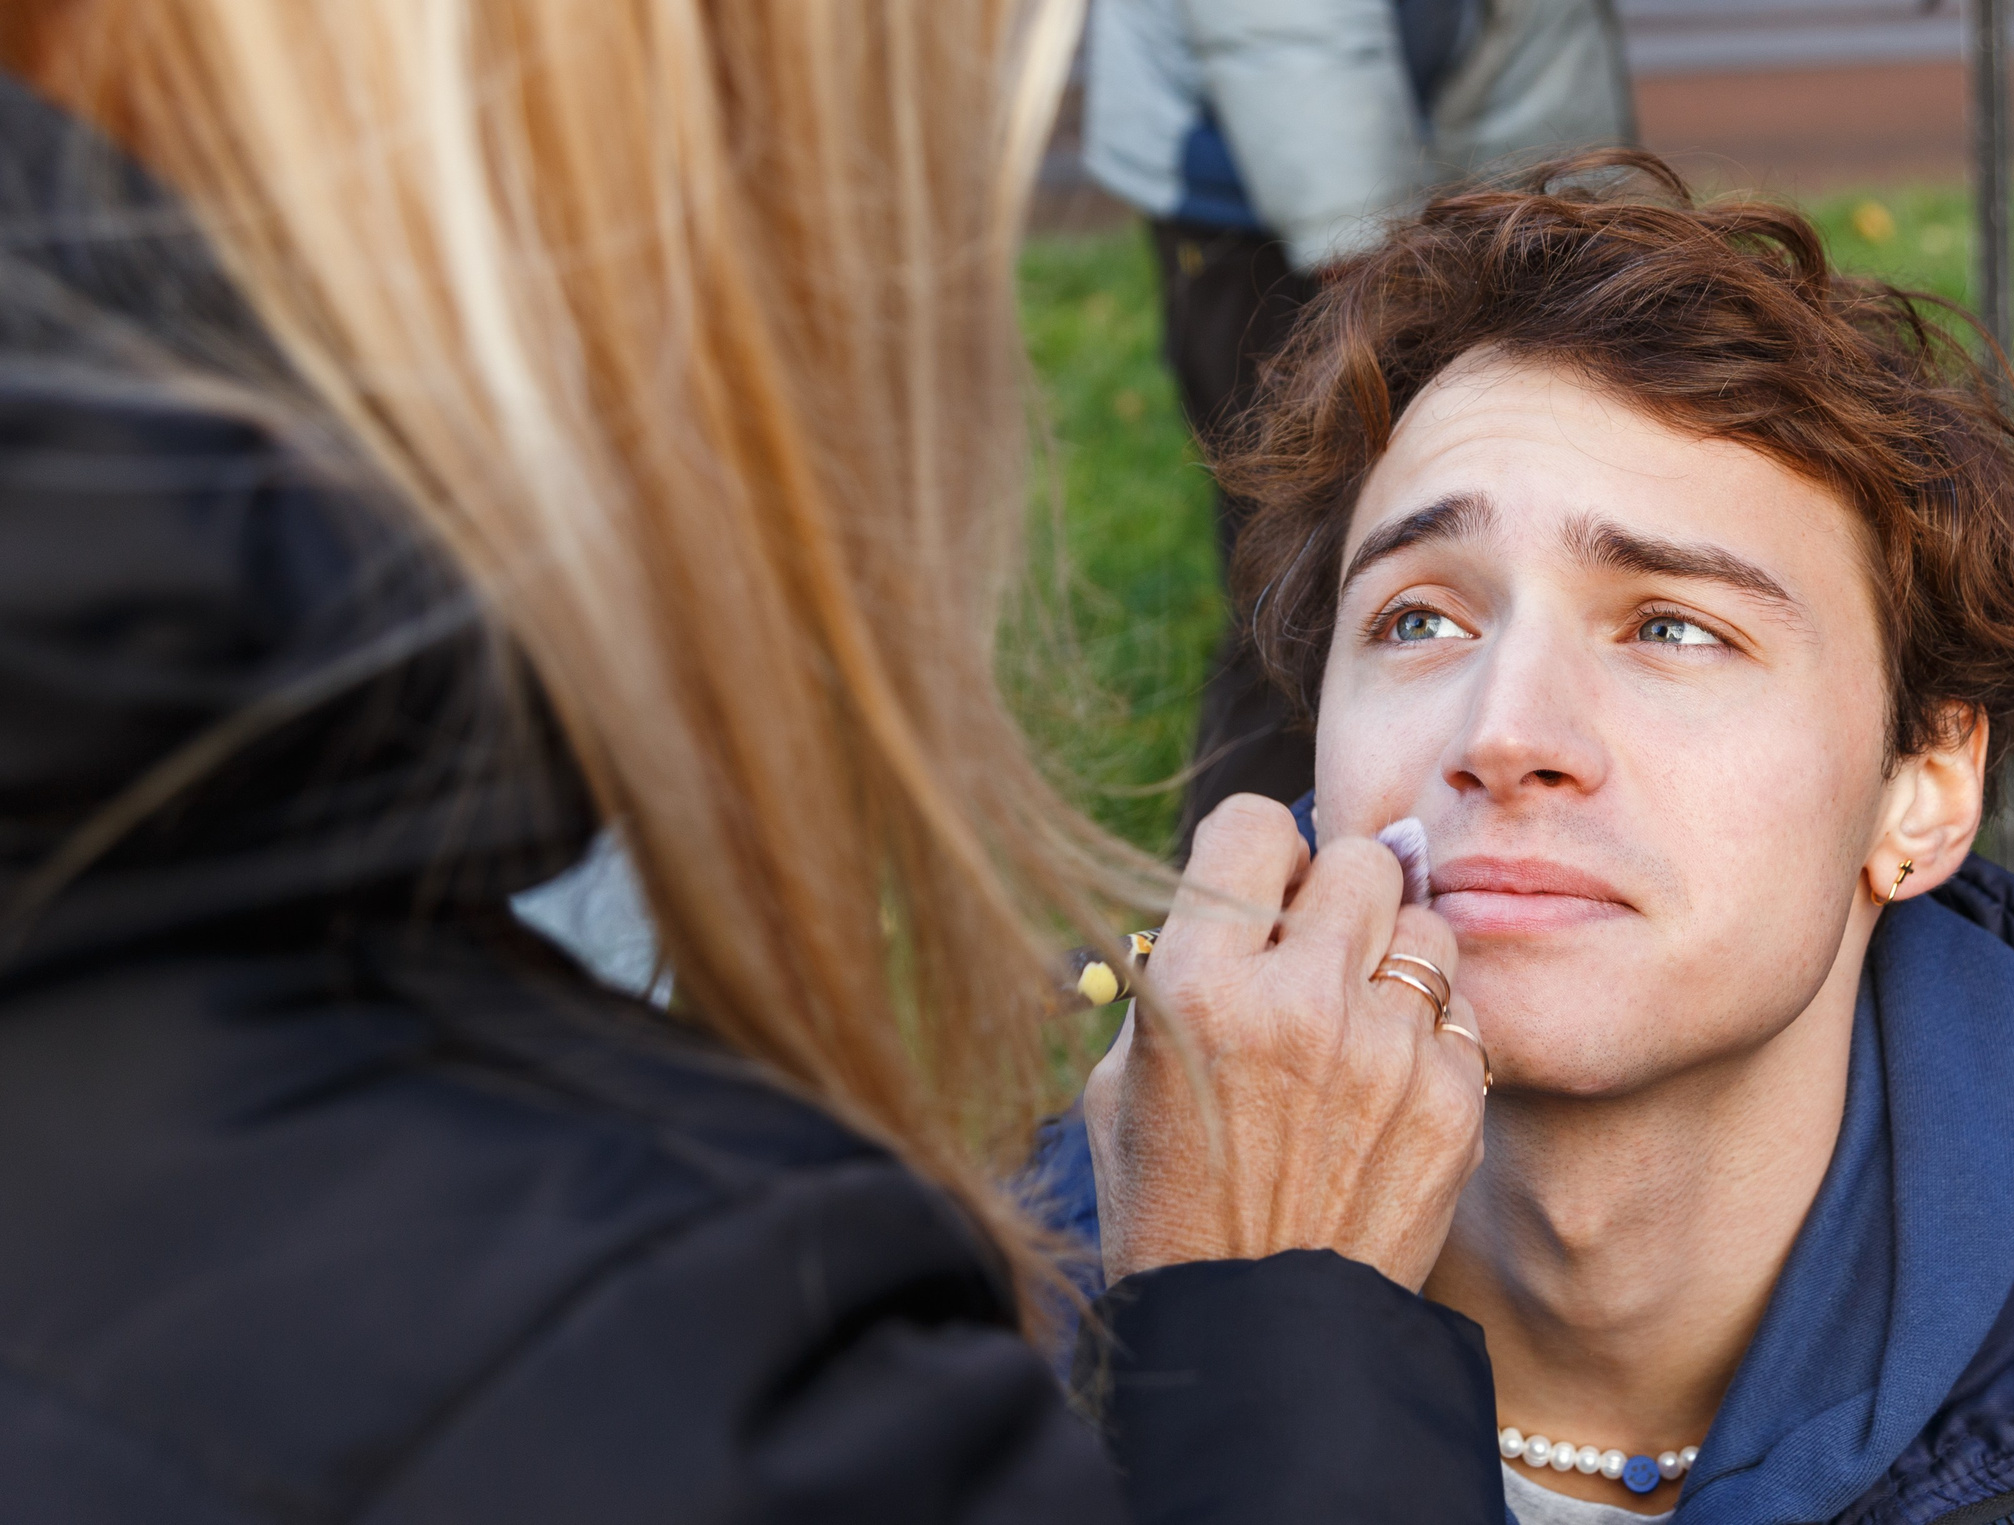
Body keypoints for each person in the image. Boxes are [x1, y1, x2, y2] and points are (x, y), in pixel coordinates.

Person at [0, 4, 1499, 1520]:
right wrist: (1278, 1338)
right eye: (1422, 616)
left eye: (1642, 629)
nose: (1509, 736)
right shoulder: (667, 1360)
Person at [1037, 153, 2014, 1524]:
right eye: (1419, 618)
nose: (1503, 730)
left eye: (1672, 626)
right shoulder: (978, 1362)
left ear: (1921, 790)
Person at [1079, 0, 1635, 854]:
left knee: (1463, 568)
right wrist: (1376, 267)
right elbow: (1284, 29)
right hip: (1270, 217)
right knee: (1299, 594)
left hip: (1447, 205)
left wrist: (1569, 231)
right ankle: (1241, 890)